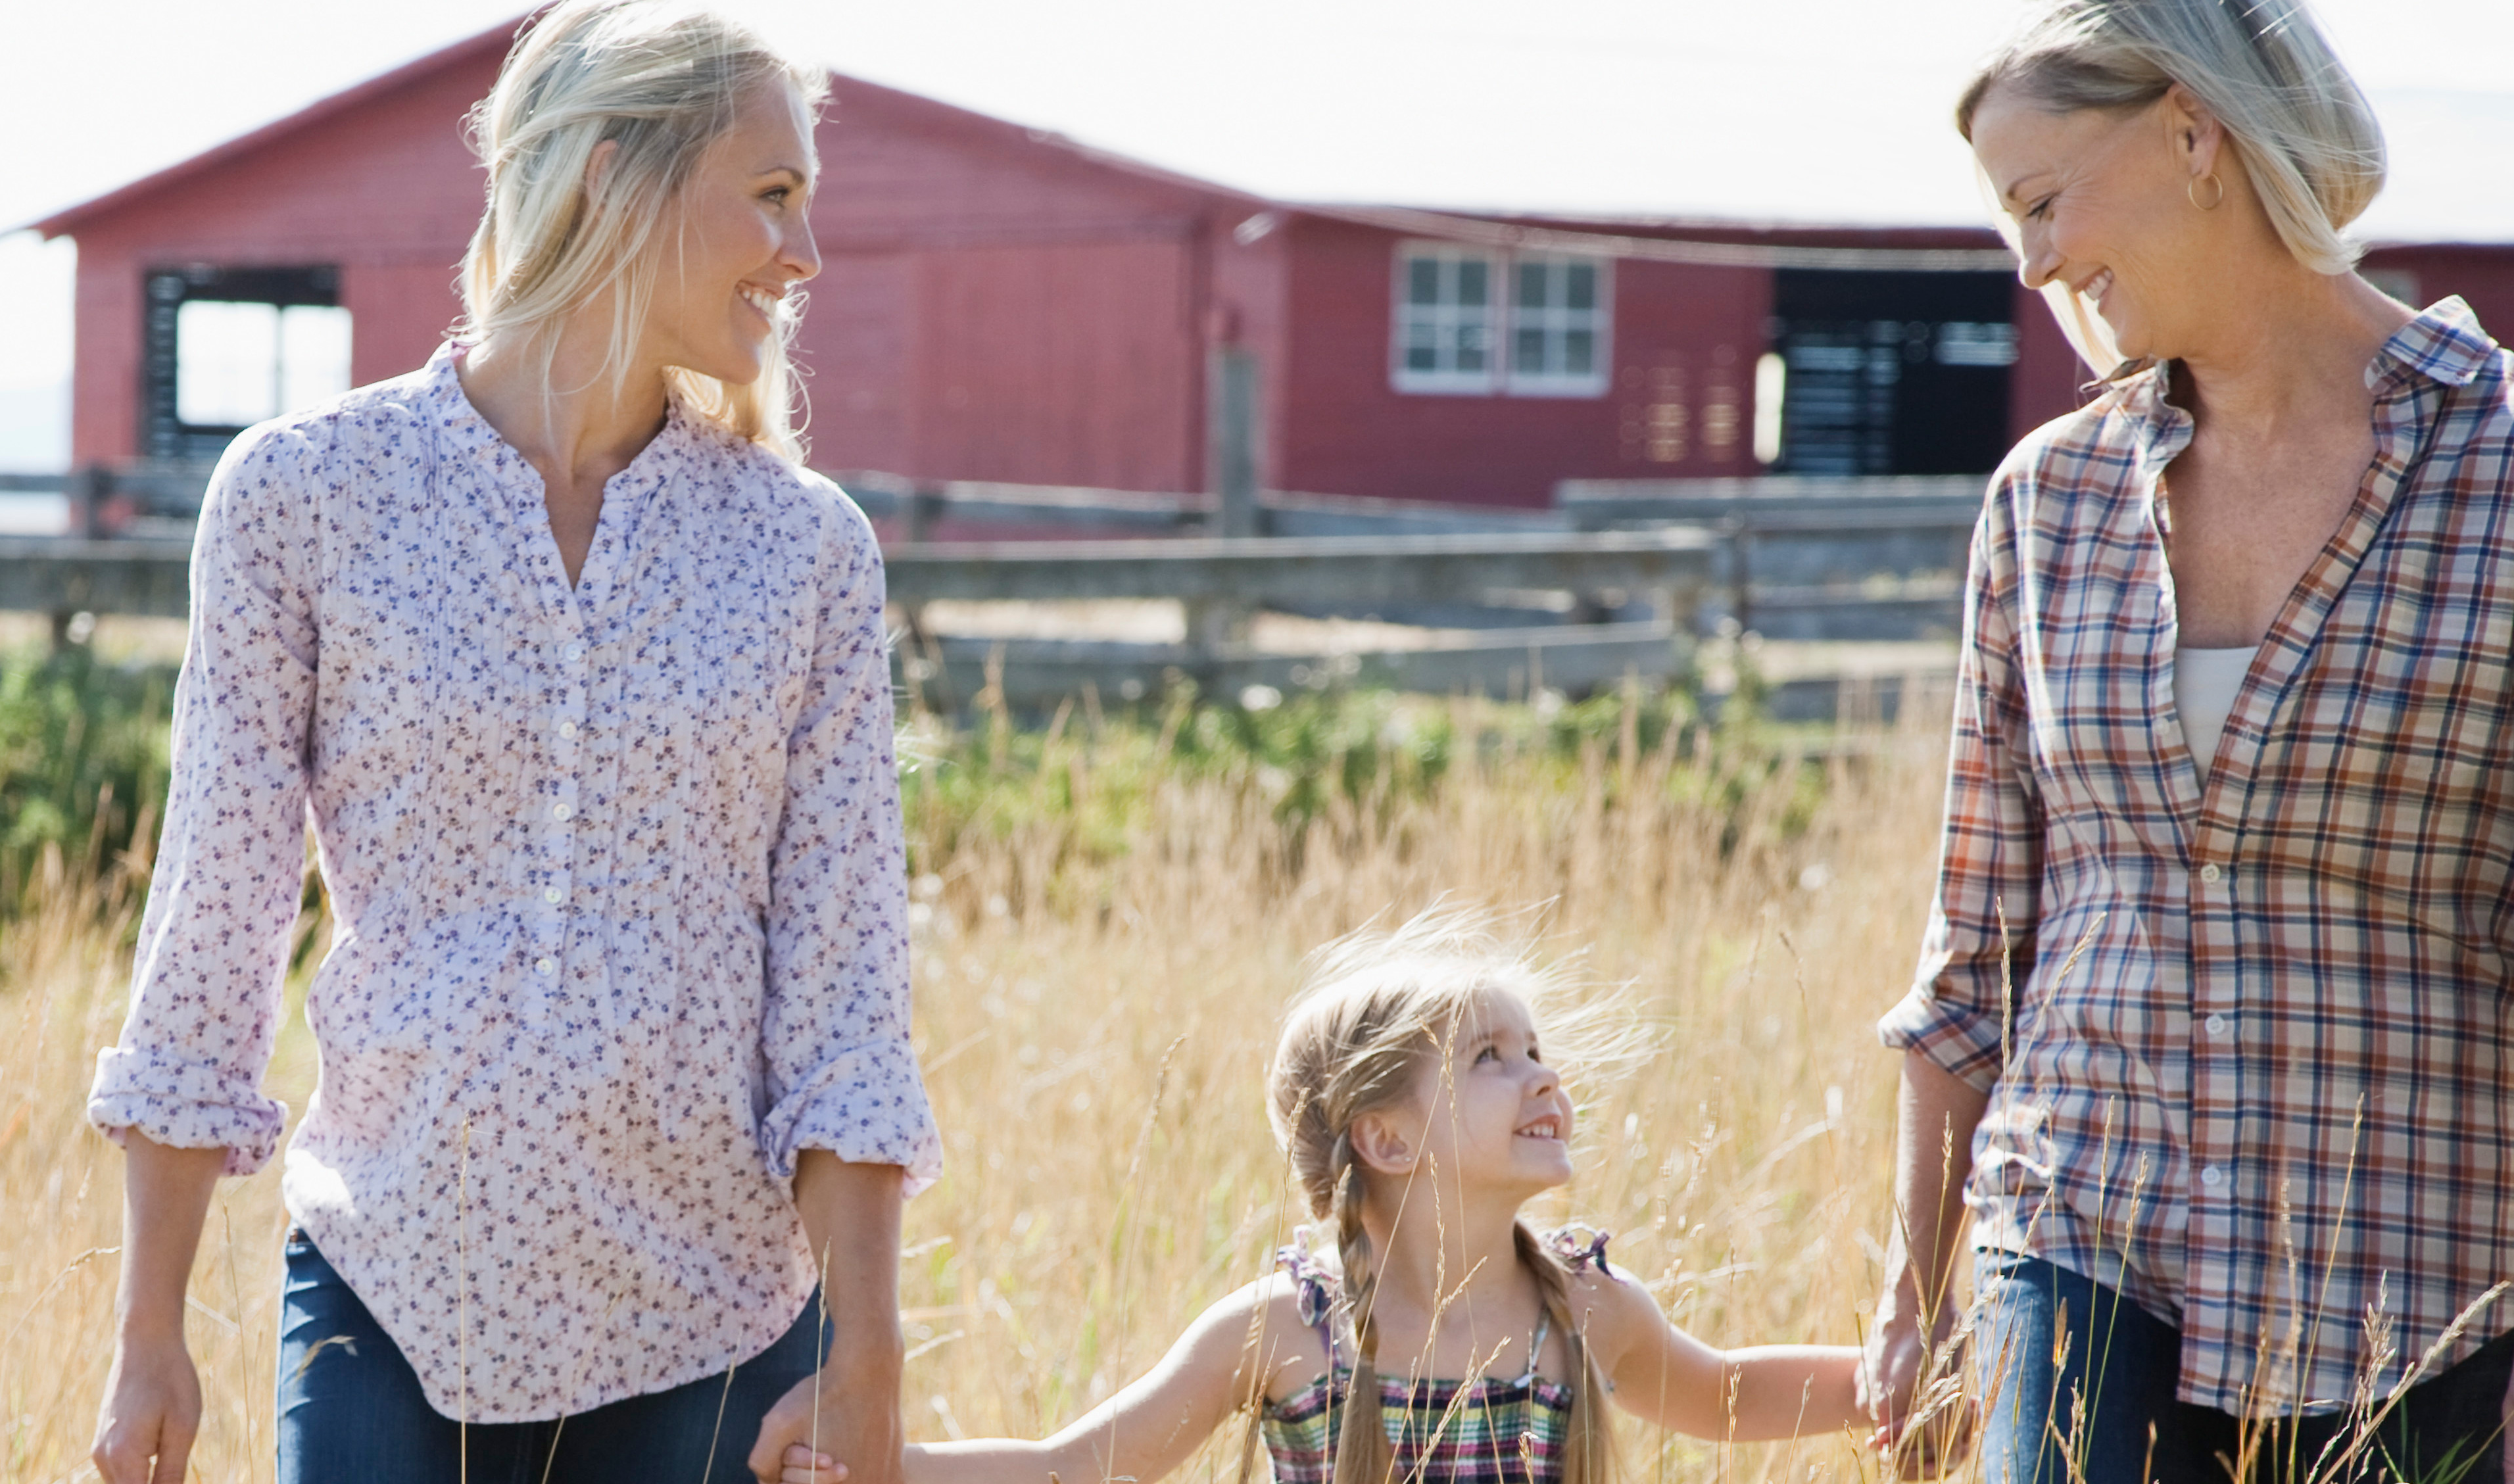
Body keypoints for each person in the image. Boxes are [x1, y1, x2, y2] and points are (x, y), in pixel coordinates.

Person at [80, 5, 940, 1481]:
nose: (803, 254)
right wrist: (146, 1328)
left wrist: (869, 1345)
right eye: (772, 193)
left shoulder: (805, 551)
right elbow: (212, 923)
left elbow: (845, 980)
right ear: (611, 176)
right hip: (387, 1291)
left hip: (717, 1325)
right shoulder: (303, 497)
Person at [1862, 3, 2514, 1480]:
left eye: (2040, 202)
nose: (2028, 263)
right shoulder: (2047, 499)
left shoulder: (2496, 463)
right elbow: (1976, 953)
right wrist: (1910, 1295)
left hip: (2419, 1283)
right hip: (2081, 1240)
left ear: (2188, 130)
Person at [777, 913, 1872, 1483]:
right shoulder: (1285, 1332)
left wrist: (1887, 1382)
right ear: (1384, 1137)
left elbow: (1726, 1391)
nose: (1545, 1075)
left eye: (1538, 1049)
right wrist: (888, 1467)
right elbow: (1074, 1465)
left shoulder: (1581, 1308)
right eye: (1491, 1056)